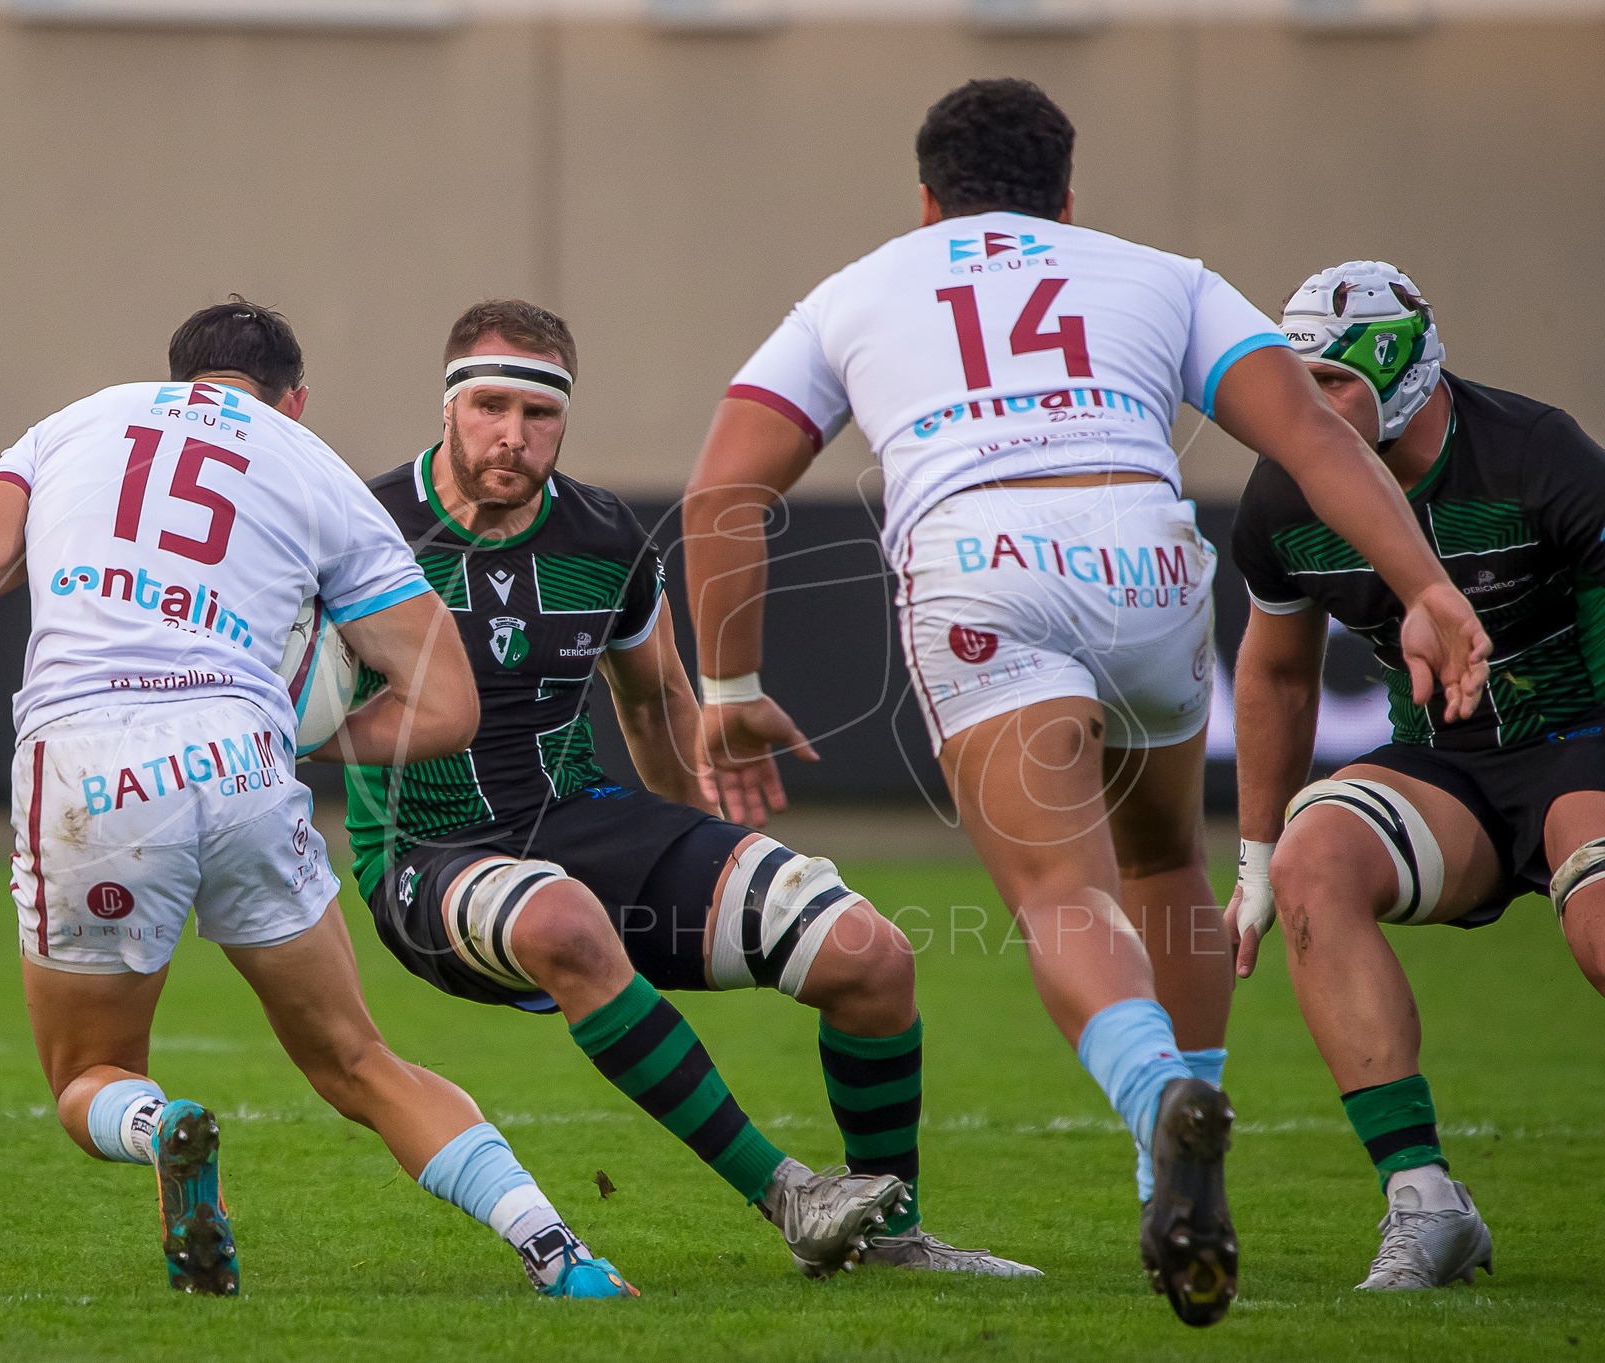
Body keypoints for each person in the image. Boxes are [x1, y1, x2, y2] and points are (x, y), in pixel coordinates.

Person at [679, 80, 1492, 1327]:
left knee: (1062, 895)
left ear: (923, 197)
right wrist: (1425, 587)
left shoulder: (860, 287)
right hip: (1144, 542)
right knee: (1166, 856)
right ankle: (1167, 1159)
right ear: (1067, 196)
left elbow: (724, 488)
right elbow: (1315, 441)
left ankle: (1157, 1094)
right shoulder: (1157, 273)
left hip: (980, 554)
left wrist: (728, 686)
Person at [0, 297, 634, 1301]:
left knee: (87, 1074)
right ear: (294, 400)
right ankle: (559, 1254)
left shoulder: (73, 425)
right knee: (359, 1059)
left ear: (178, 377)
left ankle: (156, 1128)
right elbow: (443, 706)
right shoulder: (313, 467)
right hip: (240, 755)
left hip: (89, 765)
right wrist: (298, 733)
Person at [344, 297, 1037, 1280]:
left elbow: (657, 700)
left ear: (565, 418)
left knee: (866, 955)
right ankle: (790, 1196)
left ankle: (890, 1238)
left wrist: (704, 856)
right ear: (447, 405)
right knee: (563, 924)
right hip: (426, 859)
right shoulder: (358, 531)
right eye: (489, 405)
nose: (512, 435)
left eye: (537, 414)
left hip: (577, 821)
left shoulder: (600, 535)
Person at [1226, 261, 1605, 1290]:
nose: (1308, 411)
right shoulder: (1283, 494)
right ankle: (1423, 1204)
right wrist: (1254, 860)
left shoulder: (1538, 454)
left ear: (1403, 376)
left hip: (1580, 733)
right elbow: (1269, 672)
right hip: (1446, 765)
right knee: (1314, 862)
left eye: (1334, 385)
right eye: (1295, 385)